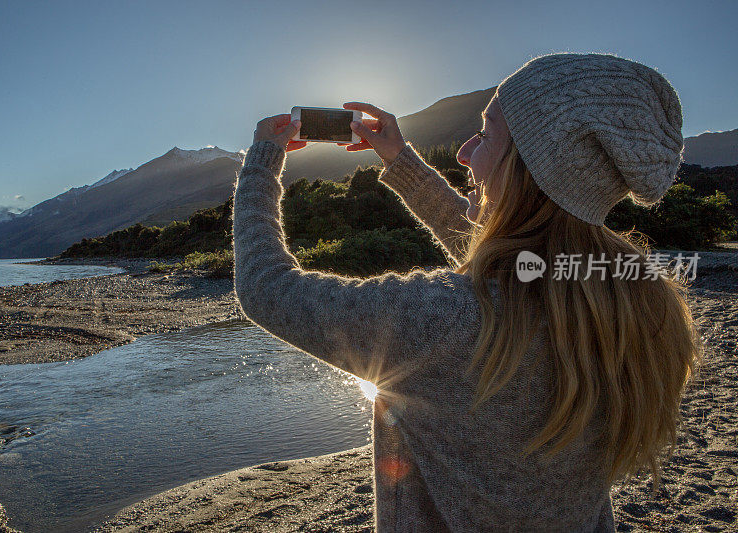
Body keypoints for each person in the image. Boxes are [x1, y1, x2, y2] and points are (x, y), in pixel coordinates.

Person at [231, 52, 703, 532]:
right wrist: (402, 162)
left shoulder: (444, 320)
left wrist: (261, 165)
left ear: (526, 168)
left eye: (484, 135)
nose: (462, 153)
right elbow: (503, 258)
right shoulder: (629, 295)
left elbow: (266, 288)